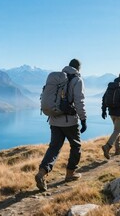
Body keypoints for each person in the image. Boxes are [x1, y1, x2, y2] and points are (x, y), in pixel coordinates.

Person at [35, 59, 87, 191]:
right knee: (76, 146)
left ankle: (42, 173)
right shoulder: (77, 80)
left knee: (54, 147)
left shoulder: (57, 78)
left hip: (54, 119)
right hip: (69, 121)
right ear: (78, 68)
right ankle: (70, 174)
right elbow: (79, 101)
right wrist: (83, 119)